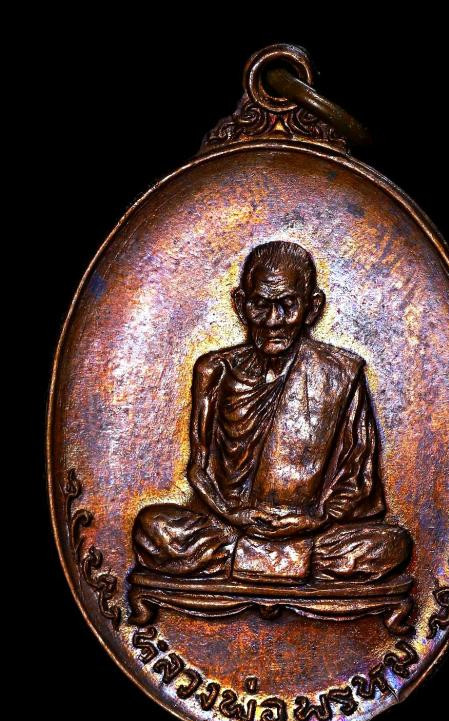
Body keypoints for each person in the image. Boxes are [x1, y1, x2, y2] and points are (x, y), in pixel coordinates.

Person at [132, 241, 411, 584]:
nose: (273, 321)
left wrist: (316, 519)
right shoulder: (214, 370)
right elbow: (199, 469)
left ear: (312, 308)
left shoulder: (341, 373)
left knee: (391, 545)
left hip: (308, 530)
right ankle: (286, 562)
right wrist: (233, 514)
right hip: (229, 525)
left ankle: (250, 560)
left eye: (287, 305)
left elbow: (359, 478)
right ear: (240, 304)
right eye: (260, 305)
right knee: (153, 526)